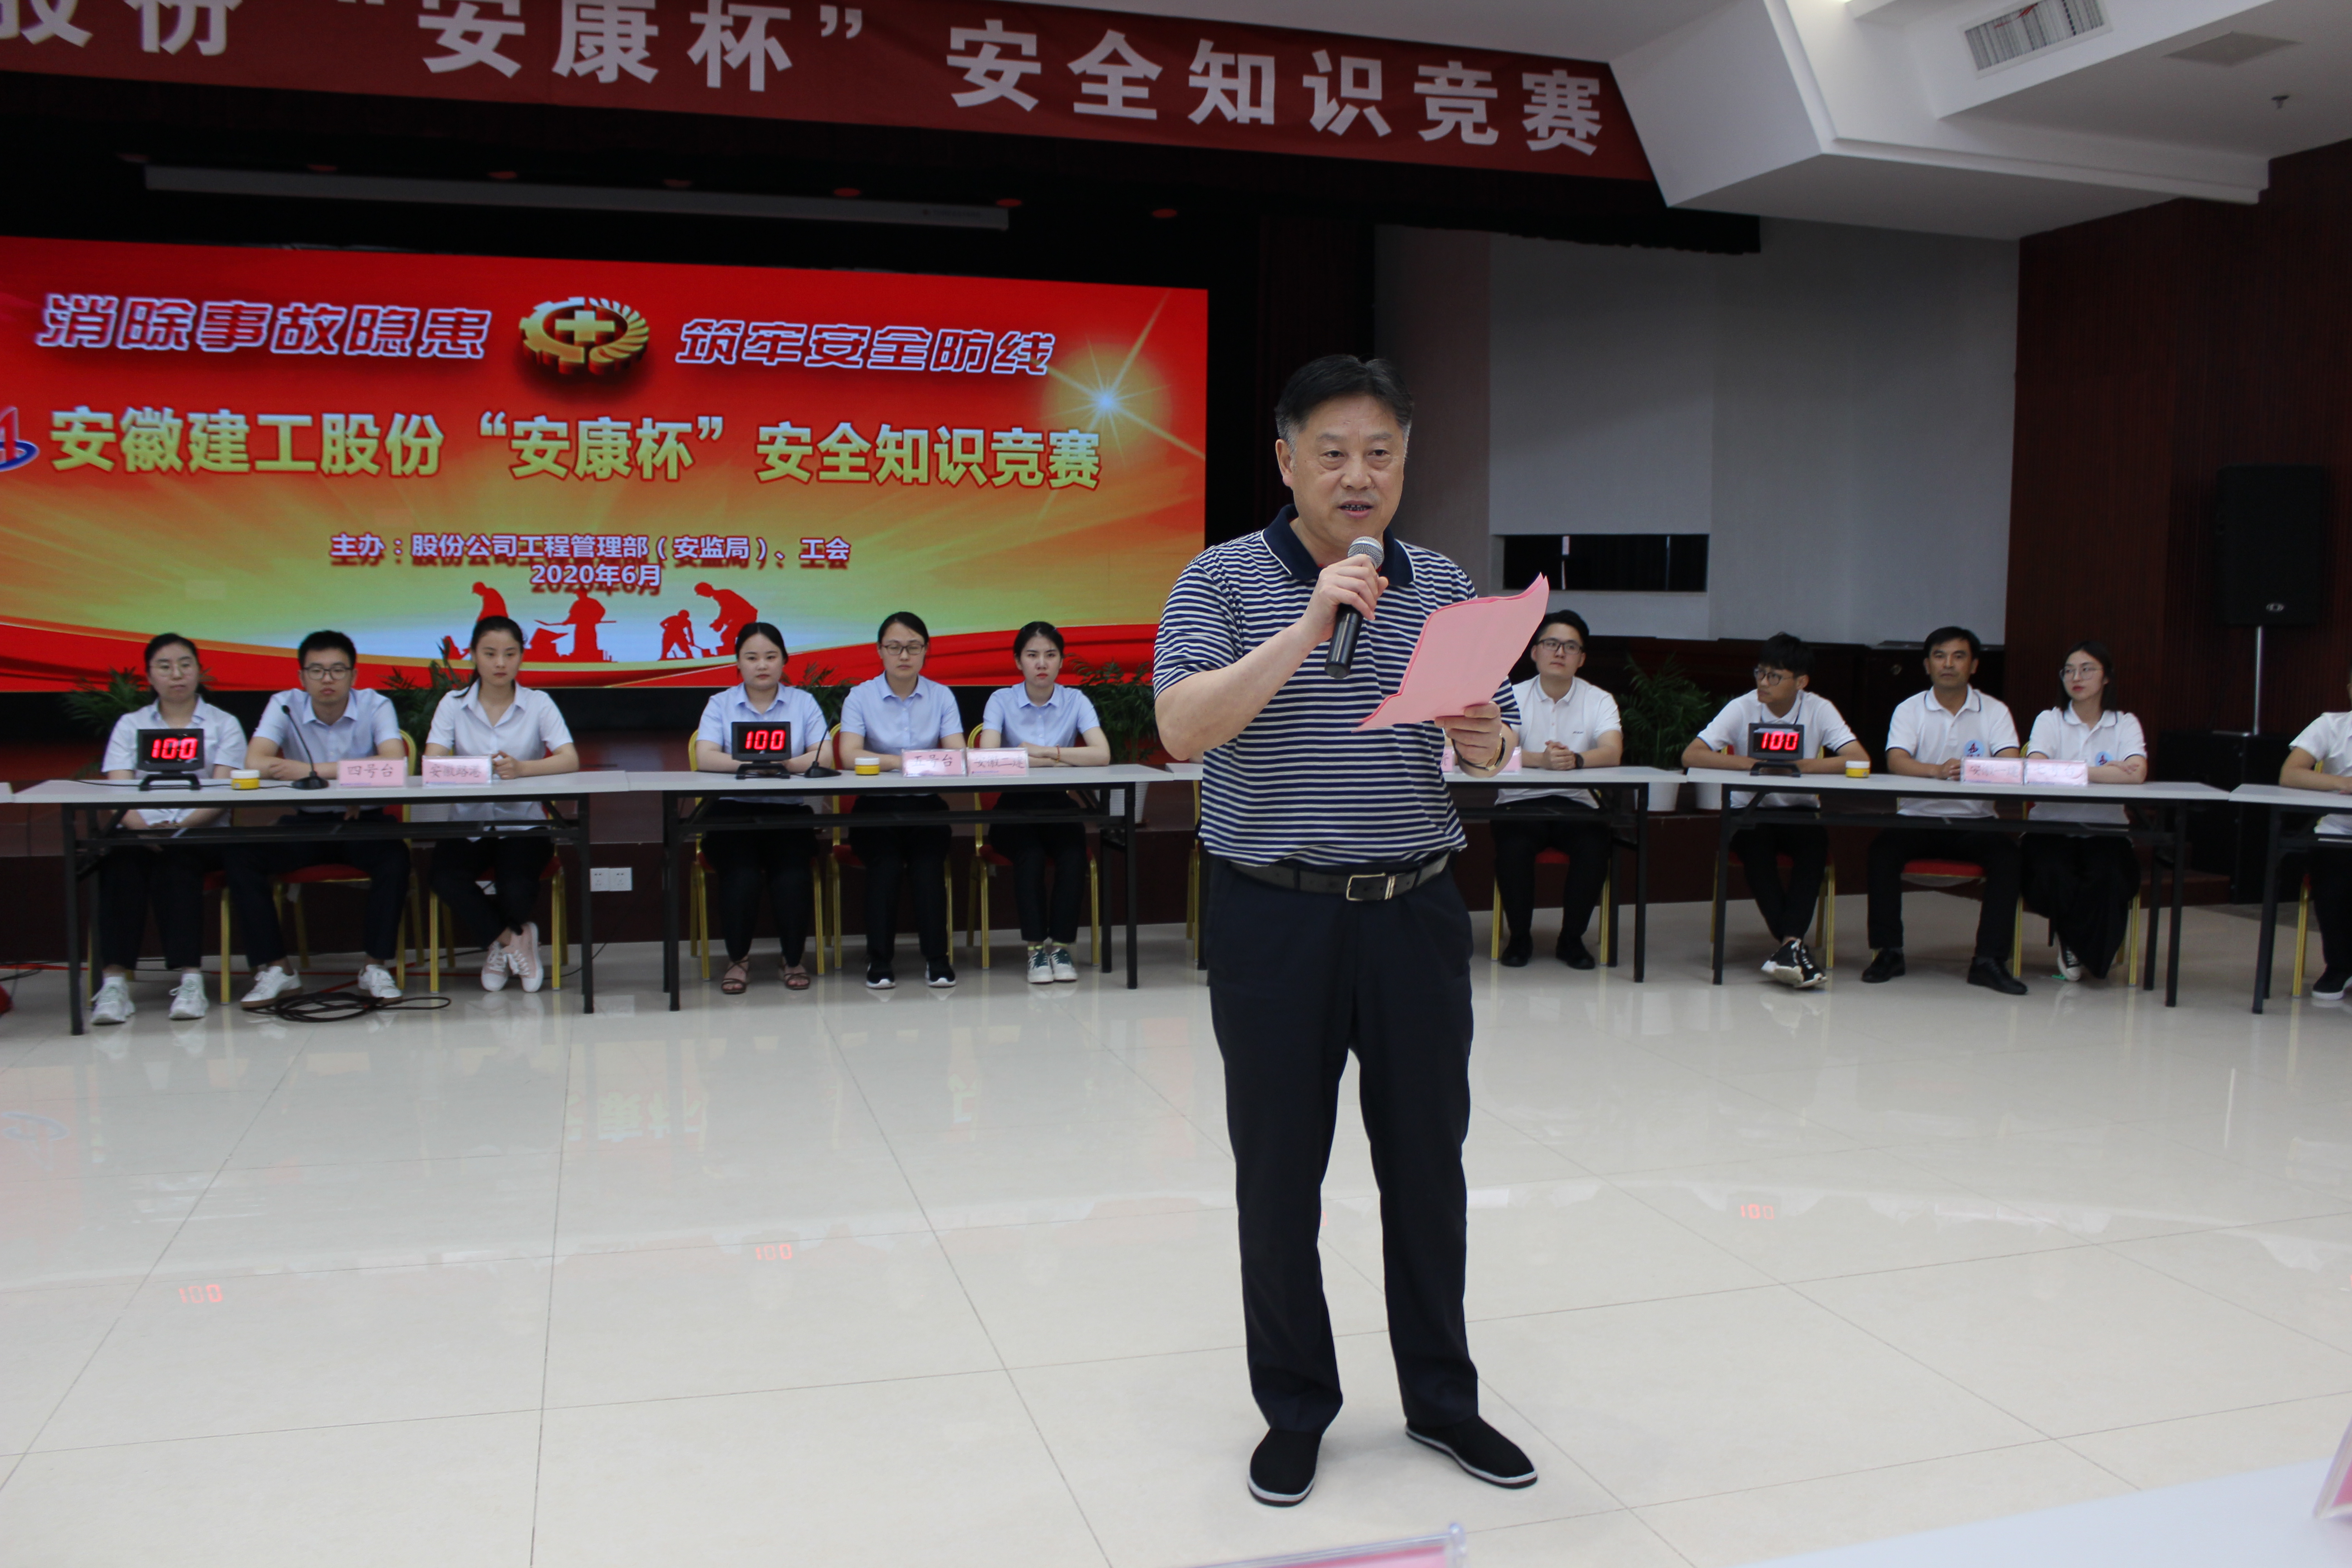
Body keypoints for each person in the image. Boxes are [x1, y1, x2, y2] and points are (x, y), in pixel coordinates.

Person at [1153, 355, 1534, 1509]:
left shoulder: (1444, 581)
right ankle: (1295, 1409)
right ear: (1286, 461)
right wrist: (1311, 619)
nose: (1357, 475)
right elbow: (1181, 728)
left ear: (1405, 463)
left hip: (1414, 909)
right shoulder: (1220, 578)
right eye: (1332, 453)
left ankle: (1443, 1400)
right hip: (1274, 914)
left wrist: (1482, 739)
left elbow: (1488, 749)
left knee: (1428, 1169)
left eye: (1380, 453)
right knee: (1279, 1177)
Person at [226, 630, 412, 1006]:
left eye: (338, 670)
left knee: (395, 859)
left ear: (354, 675)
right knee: (241, 856)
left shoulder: (375, 704)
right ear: (302, 676)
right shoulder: (284, 705)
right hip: (307, 823)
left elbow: (394, 762)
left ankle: (375, 966)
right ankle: (278, 969)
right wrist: (352, 774)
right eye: (317, 670)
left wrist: (312, 772)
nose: (328, 679)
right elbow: (255, 761)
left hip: (363, 820)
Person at [1683, 632, 1868, 990]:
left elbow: (1858, 758)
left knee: (1813, 849)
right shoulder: (1742, 707)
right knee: (1757, 853)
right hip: (1749, 813)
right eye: (1760, 673)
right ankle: (1793, 945)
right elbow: (1692, 754)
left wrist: (1800, 767)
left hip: (1800, 812)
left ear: (1801, 682)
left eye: (1774, 676)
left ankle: (1788, 946)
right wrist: (1755, 765)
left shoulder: (1819, 708)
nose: (1763, 683)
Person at [87, 633, 249, 1025]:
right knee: (120, 862)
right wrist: (145, 831)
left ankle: (191, 979)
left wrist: (177, 828)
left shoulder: (224, 724)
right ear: (149, 676)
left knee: (179, 862)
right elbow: (119, 793)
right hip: (140, 830)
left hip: (200, 832)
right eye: (165, 666)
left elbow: (222, 794)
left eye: (185, 665)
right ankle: (114, 985)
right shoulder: (131, 725)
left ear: (199, 671)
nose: (177, 674)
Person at [1863, 626, 2027, 995]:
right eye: (1939, 656)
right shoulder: (1910, 709)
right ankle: (1889, 952)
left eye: (1958, 656)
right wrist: (1937, 771)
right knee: (1881, 853)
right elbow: (1896, 760)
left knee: (2009, 859)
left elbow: (2010, 762)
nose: (1948, 664)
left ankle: (1989, 961)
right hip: (1917, 818)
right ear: (1927, 665)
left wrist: (1973, 770)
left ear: (1974, 665)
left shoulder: (1995, 711)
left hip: (1976, 822)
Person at [423, 615, 580, 993]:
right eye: (490, 653)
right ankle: (512, 940)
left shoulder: (538, 703)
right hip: (469, 823)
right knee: (444, 877)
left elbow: (569, 759)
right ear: (473, 656)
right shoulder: (453, 704)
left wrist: (523, 769)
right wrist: (475, 769)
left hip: (523, 823)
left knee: (516, 887)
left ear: (521, 657)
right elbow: (433, 763)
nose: (500, 663)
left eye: (510, 654)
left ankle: (500, 944)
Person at [692, 622, 829, 993]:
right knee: (743, 876)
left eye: (771, 657)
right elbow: (705, 757)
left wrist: (784, 764)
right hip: (732, 815)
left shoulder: (803, 703)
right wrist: (755, 765)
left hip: (787, 814)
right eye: (752, 658)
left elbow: (823, 754)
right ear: (738, 663)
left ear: (784, 661)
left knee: (792, 876)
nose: (762, 665)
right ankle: (737, 960)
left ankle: (793, 959)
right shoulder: (720, 704)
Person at [978, 622, 1111, 984]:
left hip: (1058, 804)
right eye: (1032, 655)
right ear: (1018, 661)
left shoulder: (1075, 701)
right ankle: (1036, 950)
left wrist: (1043, 752)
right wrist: (1062, 759)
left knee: (1073, 854)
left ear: (1061, 661)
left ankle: (1062, 947)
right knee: (1031, 855)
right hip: (1013, 808)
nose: (1042, 663)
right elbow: (988, 757)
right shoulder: (1001, 700)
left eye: (1050, 655)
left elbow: (1101, 755)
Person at [838, 611, 965, 990]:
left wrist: (895, 763)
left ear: (926, 650)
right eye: (894, 647)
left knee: (927, 866)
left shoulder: (941, 696)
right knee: (886, 865)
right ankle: (879, 960)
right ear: (880, 651)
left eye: (913, 647)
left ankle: (937, 960)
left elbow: (957, 755)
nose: (904, 655)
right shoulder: (861, 696)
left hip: (926, 805)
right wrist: (906, 762)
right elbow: (849, 755)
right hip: (875, 808)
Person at [1490, 611, 1621, 970]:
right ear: (1535, 652)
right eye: (1551, 644)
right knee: (1514, 847)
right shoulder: (1511, 696)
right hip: (1520, 803)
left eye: (1570, 647)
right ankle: (1519, 938)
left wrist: (1575, 760)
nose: (1560, 652)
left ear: (1582, 658)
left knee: (1595, 845)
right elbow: (1500, 750)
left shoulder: (1599, 700)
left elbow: (1612, 751)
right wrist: (1542, 761)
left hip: (1576, 803)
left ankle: (1572, 940)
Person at [2021, 640, 2147, 982]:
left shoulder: (2124, 723)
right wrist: (2103, 773)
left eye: (2087, 670)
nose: (2077, 678)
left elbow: (2136, 774)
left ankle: (2077, 944)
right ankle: (2075, 943)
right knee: (2052, 872)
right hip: (2050, 829)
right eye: (2069, 671)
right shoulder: (2050, 720)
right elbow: (2037, 769)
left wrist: (2071, 771)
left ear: (2106, 677)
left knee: (2109, 873)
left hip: (2107, 830)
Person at [2276, 663, 2352, 999]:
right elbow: (2290, 774)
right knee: (2332, 870)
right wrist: (2344, 783)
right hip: (2338, 833)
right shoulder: (2331, 725)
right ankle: (2340, 965)